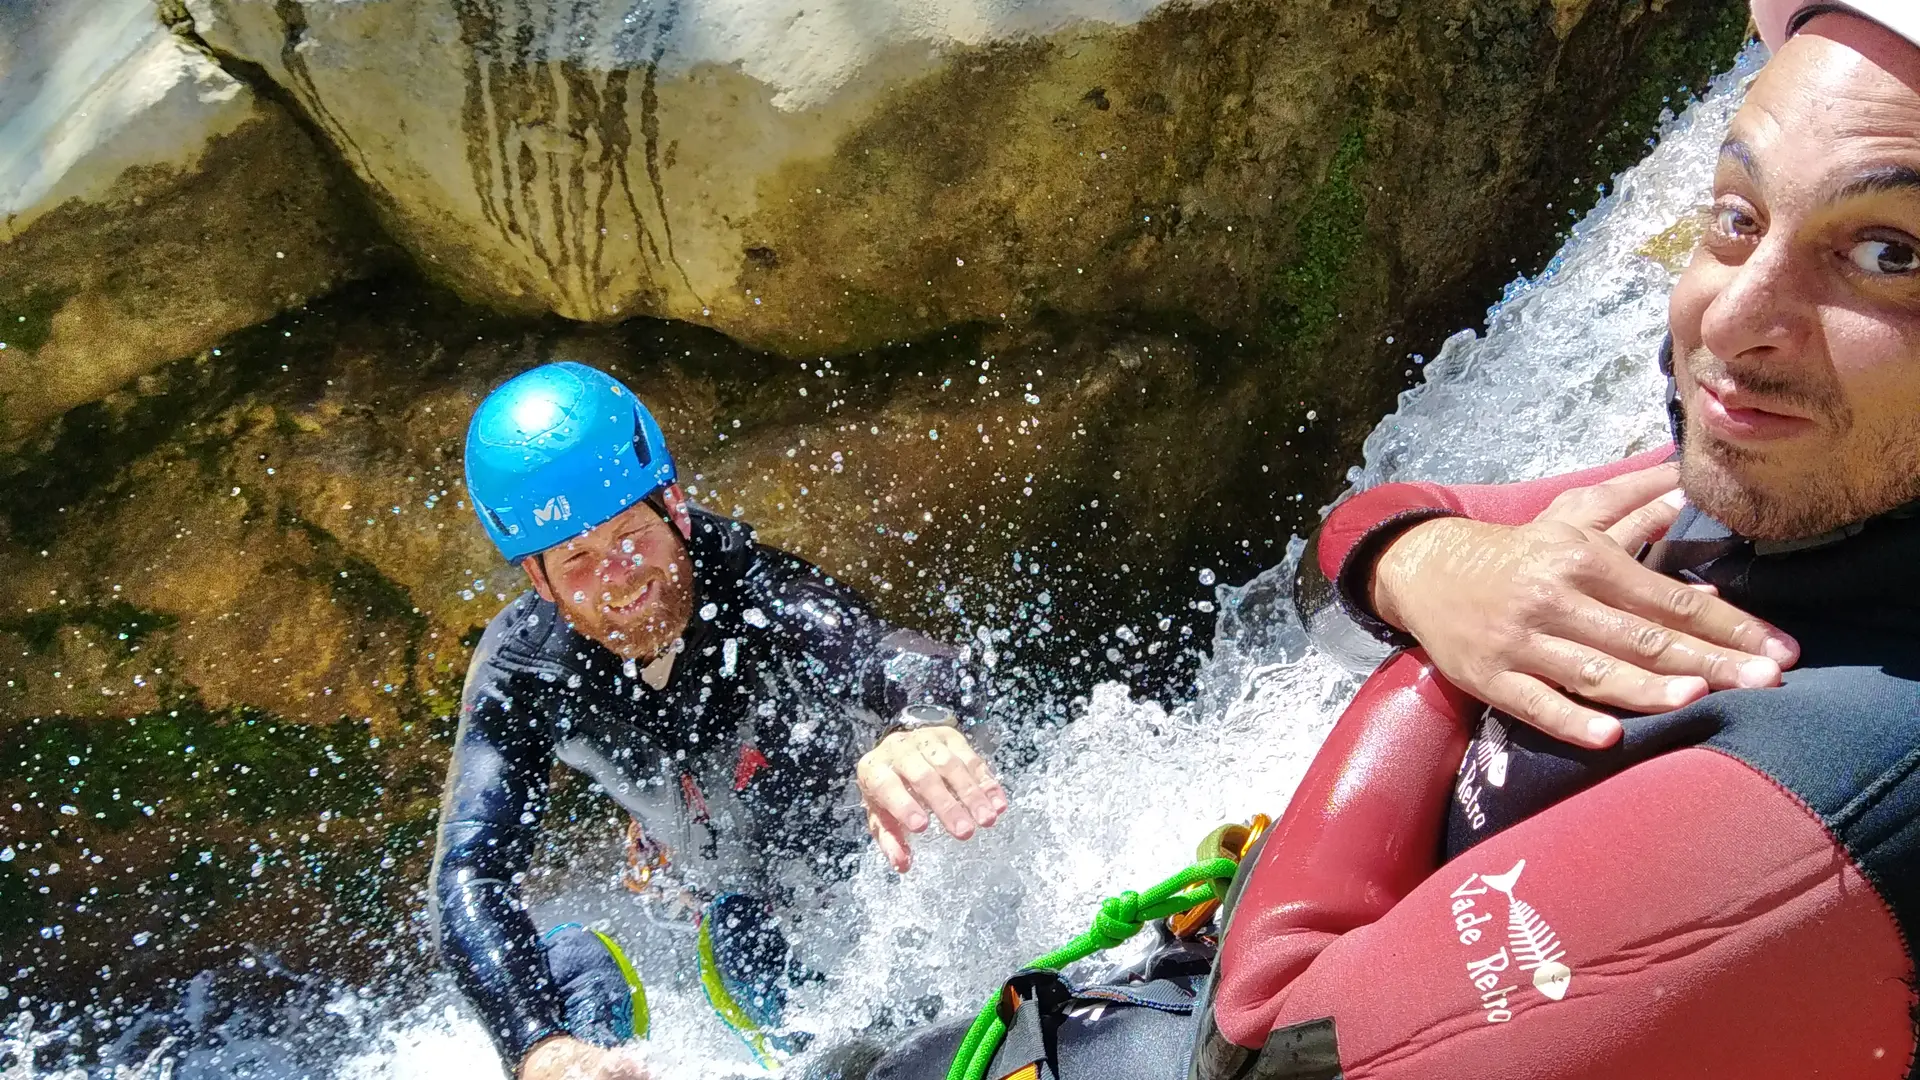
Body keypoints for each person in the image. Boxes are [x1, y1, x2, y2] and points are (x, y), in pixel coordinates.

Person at [865, 2, 1920, 1077]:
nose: (1734, 318)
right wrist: (1430, 568)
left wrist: (1436, 671)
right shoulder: (1777, 485)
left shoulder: (1841, 800)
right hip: (1118, 1005)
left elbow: (1267, 1050)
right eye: (1737, 215)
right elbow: (1353, 545)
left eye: (1891, 253)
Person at [430, 361, 1010, 1080]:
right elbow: (470, 875)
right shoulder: (525, 668)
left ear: (672, 503)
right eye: (577, 558)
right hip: (687, 888)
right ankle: (595, 1033)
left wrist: (916, 724)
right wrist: (535, 1046)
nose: (621, 579)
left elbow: (882, 652)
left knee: (754, 935)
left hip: (823, 872)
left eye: (630, 534)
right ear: (537, 579)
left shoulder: (747, 582)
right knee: (641, 956)